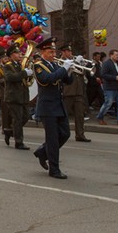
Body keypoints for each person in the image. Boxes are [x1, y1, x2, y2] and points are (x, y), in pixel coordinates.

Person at [32, 38, 74, 179]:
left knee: (65, 133)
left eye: (54, 51)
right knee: (53, 139)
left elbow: (68, 81)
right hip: (47, 106)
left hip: (58, 104)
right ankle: (54, 169)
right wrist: (64, 68)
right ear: (43, 52)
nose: (53, 54)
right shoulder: (39, 65)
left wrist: (70, 70)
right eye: (50, 52)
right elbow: (47, 80)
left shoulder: (55, 64)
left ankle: (43, 152)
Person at [3, 44, 33, 150]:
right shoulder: (7, 65)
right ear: (11, 55)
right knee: (18, 119)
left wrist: (29, 74)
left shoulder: (21, 65)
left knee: (26, 117)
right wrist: (24, 73)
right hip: (13, 96)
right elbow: (10, 77)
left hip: (23, 96)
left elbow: (25, 79)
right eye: (17, 53)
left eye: (20, 53)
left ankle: (9, 131)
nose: (20, 54)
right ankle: (19, 142)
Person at [59, 44, 90, 142]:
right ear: (63, 52)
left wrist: (82, 65)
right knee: (64, 114)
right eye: (68, 51)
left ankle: (80, 135)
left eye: (70, 51)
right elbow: (63, 74)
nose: (70, 53)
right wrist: (75, 62)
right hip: (68, 91)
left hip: (79, 91)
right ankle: (59, 133)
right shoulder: (60, 62)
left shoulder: (74, 61)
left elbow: (82, 73)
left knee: (80, 115)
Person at [96, 49, 118, 126]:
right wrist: (114, 77)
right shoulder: (106, 64)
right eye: (116, 55)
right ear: (111, 55)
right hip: (109, 87)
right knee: (108, 103)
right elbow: (103, 75)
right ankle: (100, 117)